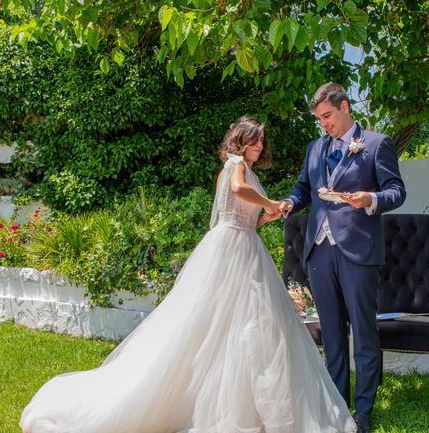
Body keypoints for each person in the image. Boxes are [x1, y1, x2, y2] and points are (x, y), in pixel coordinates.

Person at [20, 117, 356, 433]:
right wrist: (269, 202)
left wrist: (268, 213)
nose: (259, 144)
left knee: (242, 323)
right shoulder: (235, 165)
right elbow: (239, 192)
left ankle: (248, 401)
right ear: (241, 141)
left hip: (244, 242)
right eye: (254, 139)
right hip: (232, 249)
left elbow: (246, 214)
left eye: (262, 140)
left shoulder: (245, 170)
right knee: (225, 320)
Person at [281, 83, 406, 433]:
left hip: (359, 249)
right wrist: (291, 202)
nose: (324, 124)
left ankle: (363, 410)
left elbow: (397, 191)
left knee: (365, 333)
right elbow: (303, 188)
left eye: (327, 116)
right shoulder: (314, 147)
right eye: (318, 119)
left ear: (345, 107)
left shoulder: (377, 145)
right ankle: (337, 405)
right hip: (319, 250)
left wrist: (368, 198)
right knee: (333, 335)